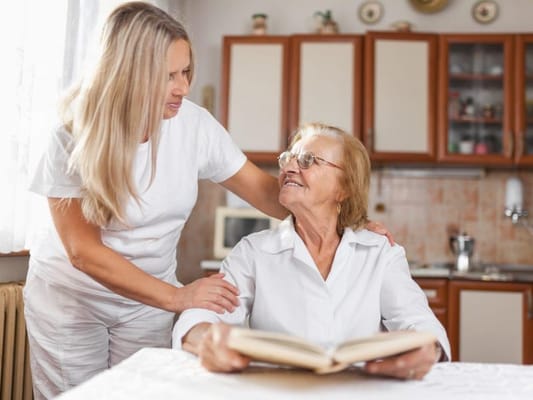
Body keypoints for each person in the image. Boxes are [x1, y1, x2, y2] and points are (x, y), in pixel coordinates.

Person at [23, 3, 392, 398]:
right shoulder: (70, 134)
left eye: (185, 72)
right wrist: (178, 296)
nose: (183, 87)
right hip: (74, 301)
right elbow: (82, 251)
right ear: (128, 75)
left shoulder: (193, 124)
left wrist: (346, 223)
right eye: (167, 77)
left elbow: (267, 192)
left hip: (147, 303)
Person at [173, 122, 450, 380]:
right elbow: (200, 318)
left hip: (358, 390)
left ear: (344, 188)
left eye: (307, 160)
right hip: (278, 391)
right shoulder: (253, 252)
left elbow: (420, 323)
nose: (289, 167)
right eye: (288, 158)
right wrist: (206, 340)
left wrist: (428, 349)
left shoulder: (380, 253)